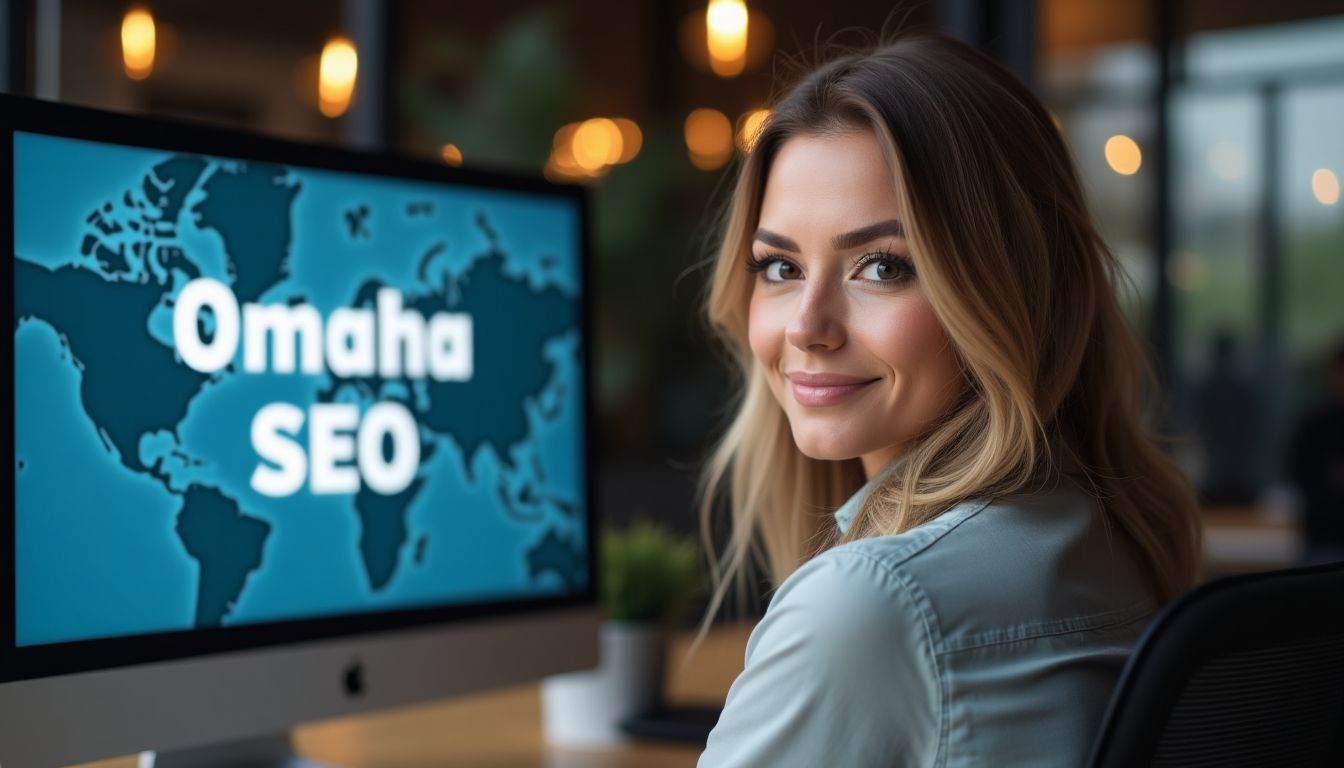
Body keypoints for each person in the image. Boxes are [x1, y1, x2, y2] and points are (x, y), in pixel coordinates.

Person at [692, 34, 1202, 767]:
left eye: (882, 267)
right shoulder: (1109, 539)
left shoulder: (869, 603)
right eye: (780, 266)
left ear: (1011, 289)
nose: (806, 326)